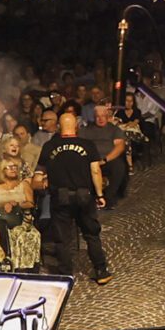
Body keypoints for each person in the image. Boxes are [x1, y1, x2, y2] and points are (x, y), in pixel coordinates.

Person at [36, 108, 112, 284]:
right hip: (84, 197)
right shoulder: (87, 145)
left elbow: (39, 172)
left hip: (60, 197)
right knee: (91, 234)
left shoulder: (49, 146)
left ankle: (65, 274)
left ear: (59, 127)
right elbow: (95, 171)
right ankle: (101, 271)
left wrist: (43, 182)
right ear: (76, 126)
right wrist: (100, 194)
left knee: (62, 239)